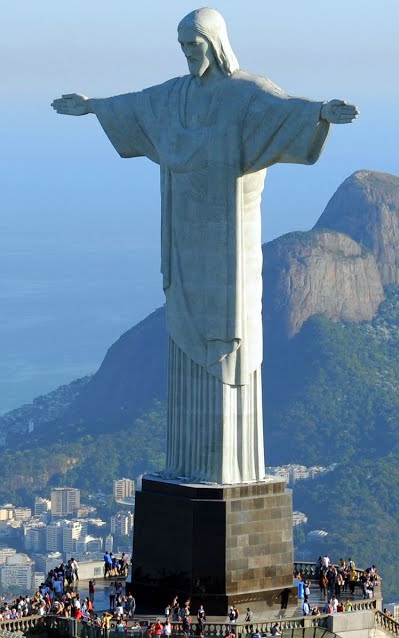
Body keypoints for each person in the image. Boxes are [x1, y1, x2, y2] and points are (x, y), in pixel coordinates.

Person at [51, 7, 356, 483]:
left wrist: (321, 113)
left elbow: (286, 111)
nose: (188, 54)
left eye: (193, 45)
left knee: (231, 332)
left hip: (230, 239)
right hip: (185, 235)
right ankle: (189, 466)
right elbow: (134, 105)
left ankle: (231, 469)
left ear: (215, 43)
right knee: (185, 331)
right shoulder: (174, 97)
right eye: (182, 47)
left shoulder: (246, 94)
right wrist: (93, 105)